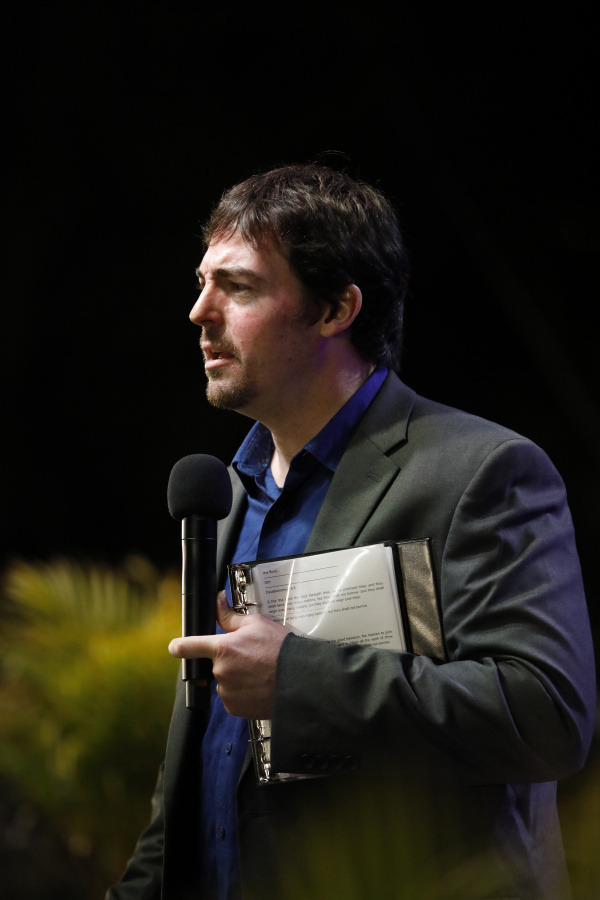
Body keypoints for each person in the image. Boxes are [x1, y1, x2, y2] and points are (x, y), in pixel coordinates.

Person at [107, 164, 596, 900]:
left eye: (238, 287)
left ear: (337, 308)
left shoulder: (479, 471)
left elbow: (548, 715)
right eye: (203, 282)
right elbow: (200, 784)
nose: (199, 311)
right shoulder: (227, 498)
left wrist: (297, 681)